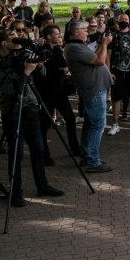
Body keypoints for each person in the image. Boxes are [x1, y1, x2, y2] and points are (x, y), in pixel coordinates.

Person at [0, 29, 65, 206]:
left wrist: (38, 67)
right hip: (12, 110)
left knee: (38, 148)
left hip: (30, 106)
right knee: (16, 153)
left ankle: (43, 185)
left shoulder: (22, 55)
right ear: (3, 43)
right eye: (13, 39)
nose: (18, 41)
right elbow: (7, 90)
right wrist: (25, 73)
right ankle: (16, 193)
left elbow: (43, 74)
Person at [65, 20, 114, 173]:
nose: (87, 31)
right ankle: (93, 160)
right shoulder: (74, 48)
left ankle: (87, 155)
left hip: (95, 89)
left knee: (90, 124)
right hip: (93, 91)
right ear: (75, 32)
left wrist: (101, 43)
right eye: (84, 29)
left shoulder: (78, 46)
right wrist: (105, 44)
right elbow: (99, 60)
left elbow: (94, 56)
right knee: (97, 125)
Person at [34, 24, 78, 165]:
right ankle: (44, 154)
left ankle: (75, 148)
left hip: (60, 90)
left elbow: (64, 67)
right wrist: (61, 70)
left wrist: (61, 70)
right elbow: (54, 71)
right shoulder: (43, 51)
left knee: (70, 118)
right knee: (45, 123)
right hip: (47, 92)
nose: (59, 36)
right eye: (56, 34)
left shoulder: (57, 50)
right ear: (48, 36)